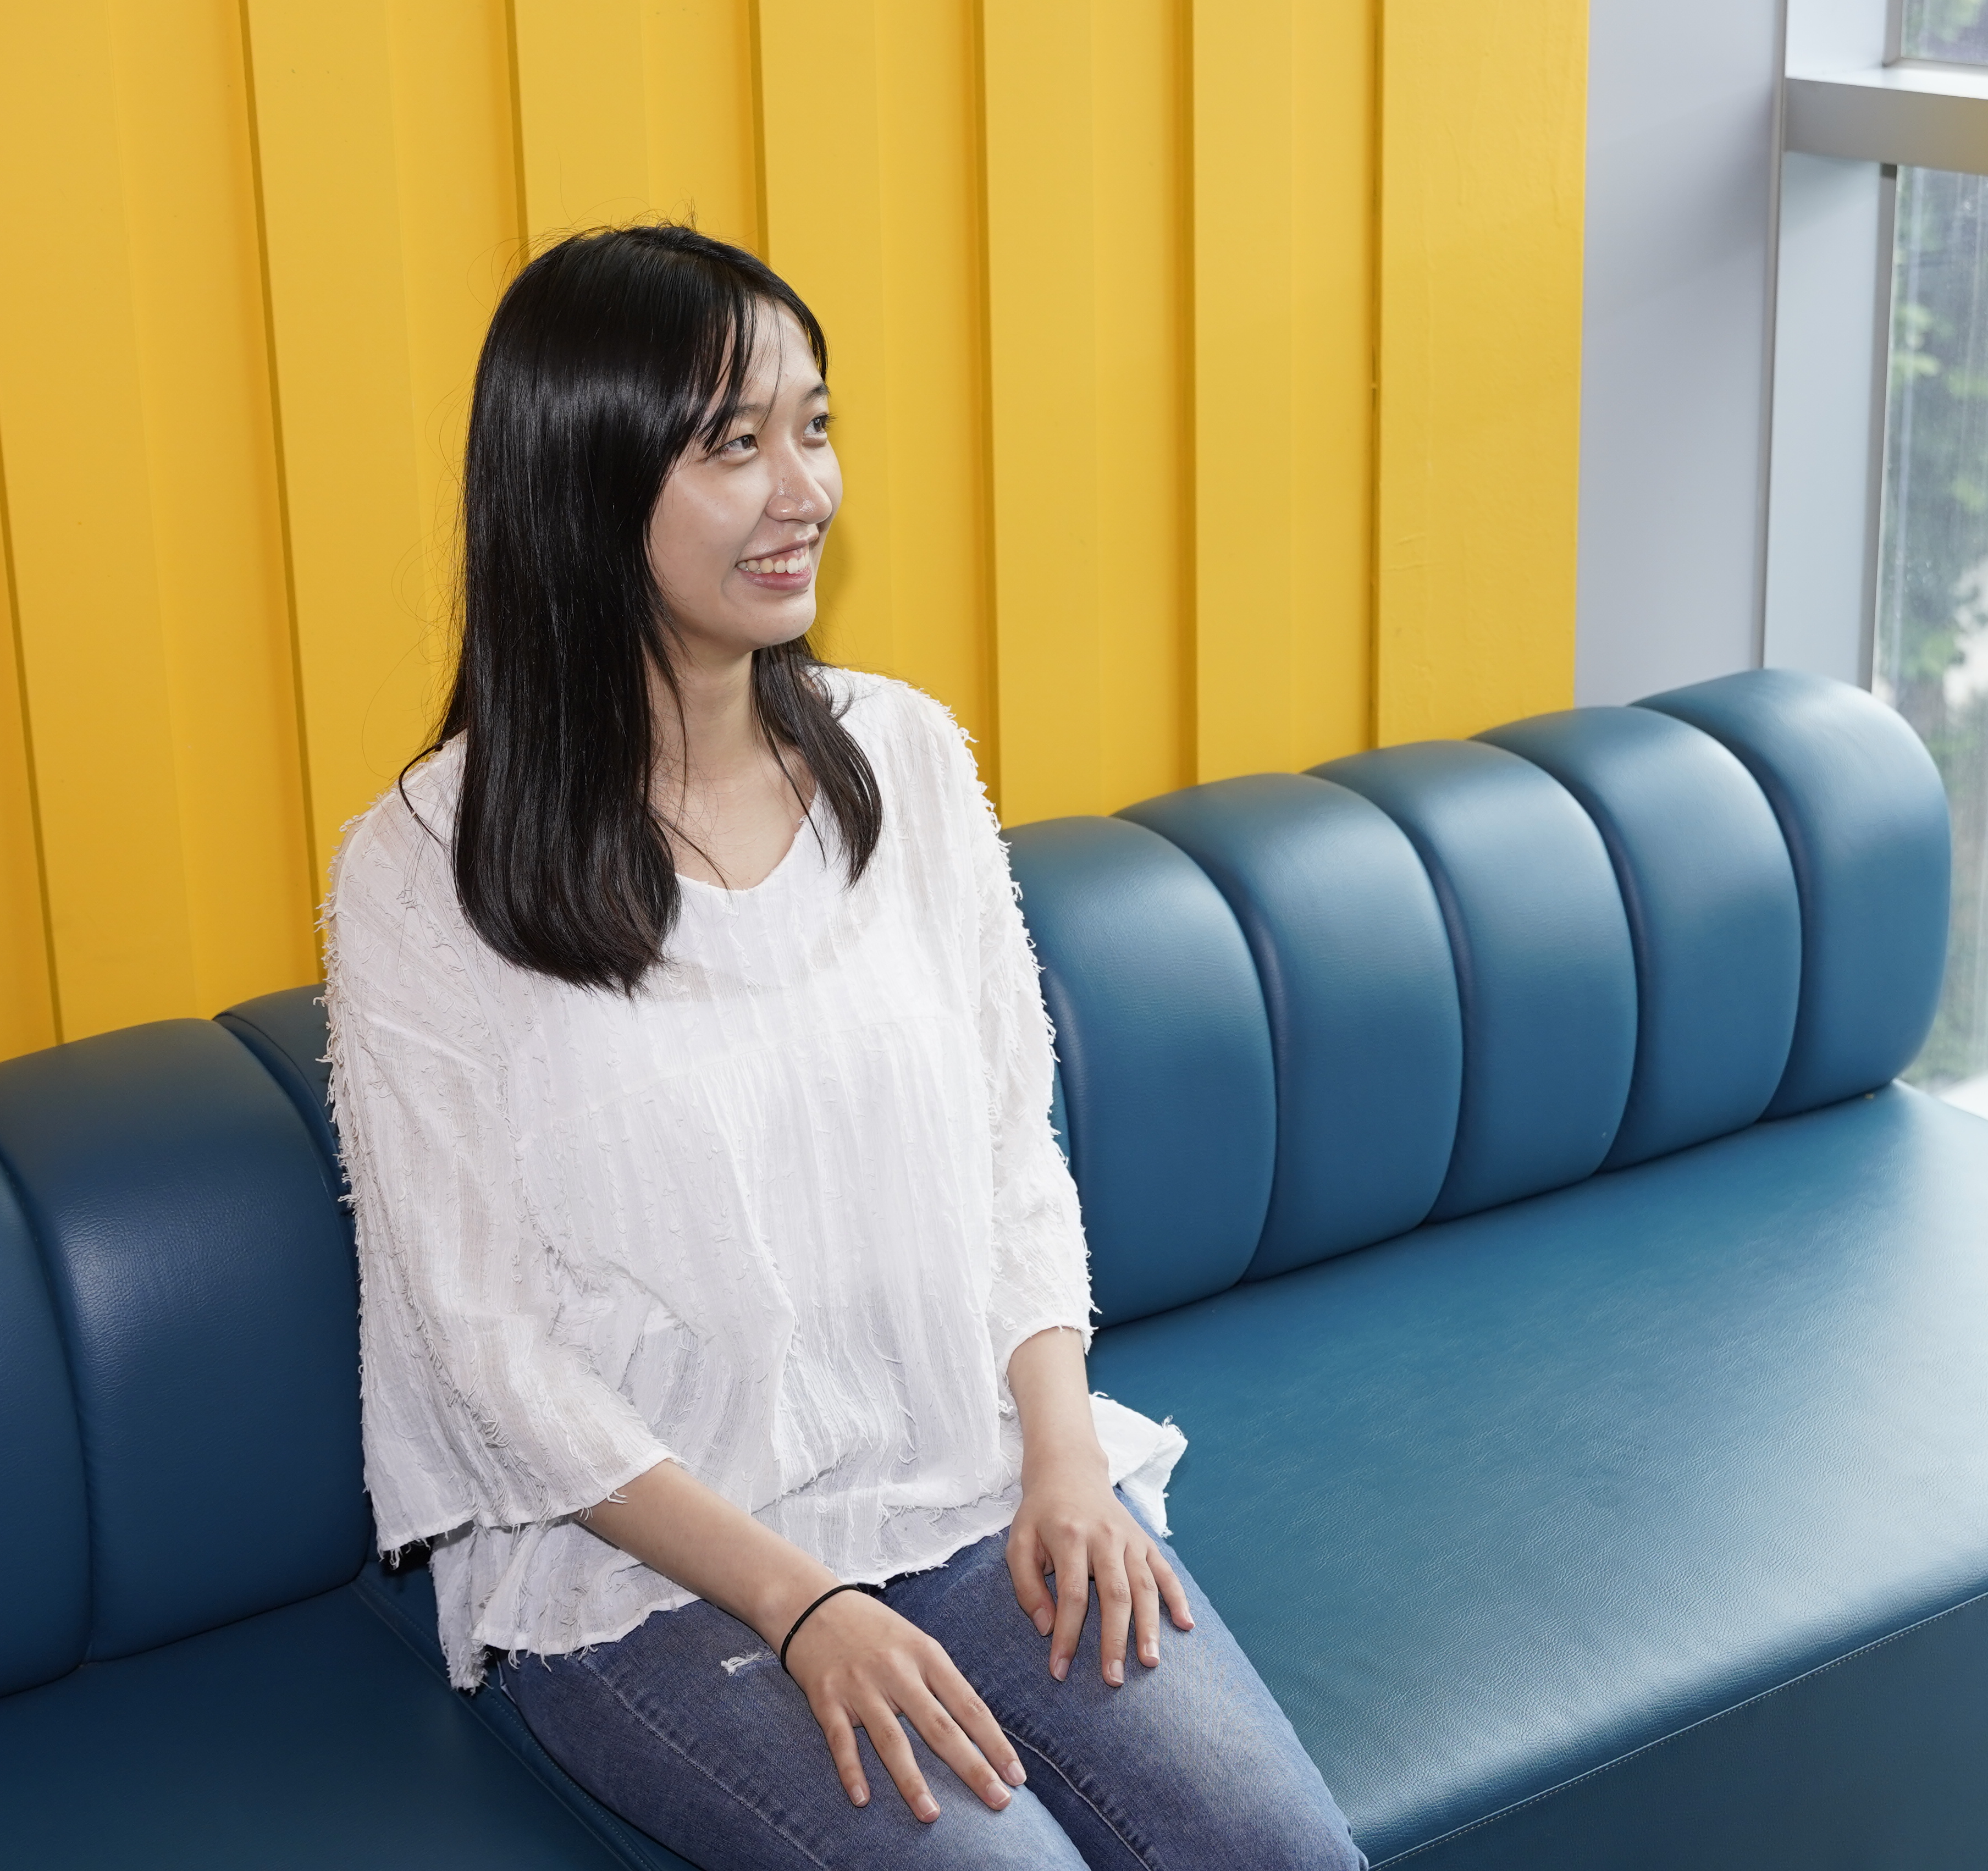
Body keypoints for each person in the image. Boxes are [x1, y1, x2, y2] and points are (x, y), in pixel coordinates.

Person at [323, 225, 1365, 1870]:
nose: (803, 489)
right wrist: (801, 1604)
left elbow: (1012, 1153)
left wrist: (1066, 1462)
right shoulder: (420, 873)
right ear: (582, 481)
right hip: (650, 1581)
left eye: (814, 427)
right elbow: (481, 1351)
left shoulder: (908, 760)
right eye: (734, 443)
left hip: (964, 1478)